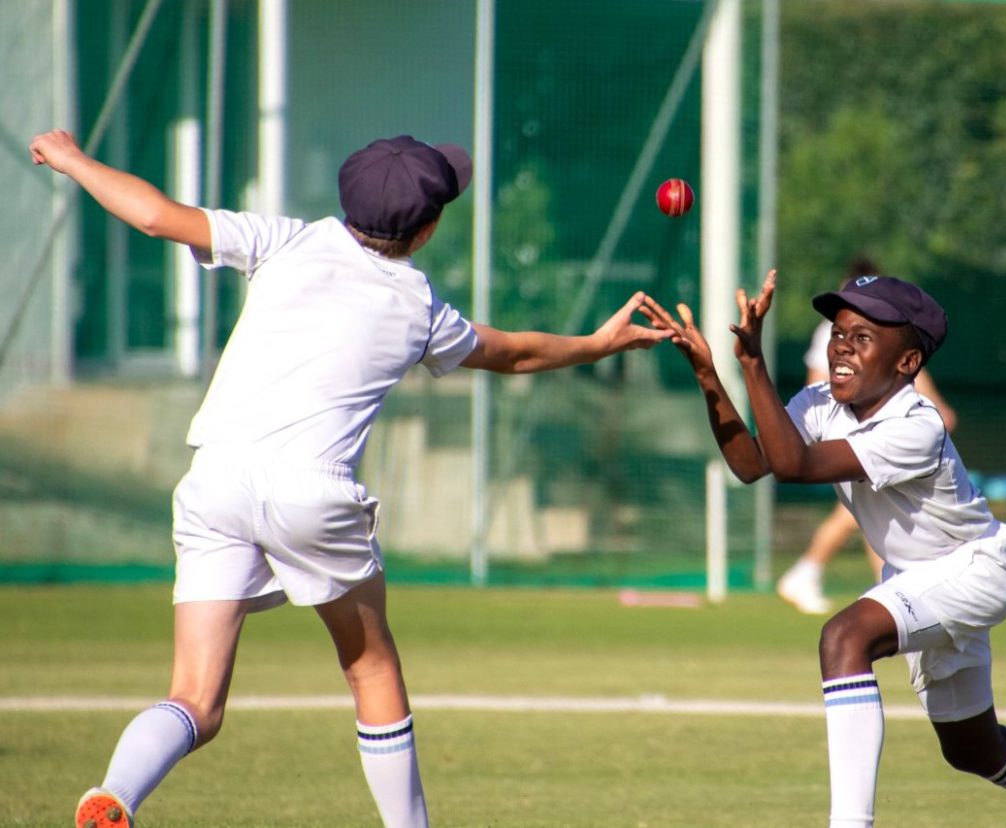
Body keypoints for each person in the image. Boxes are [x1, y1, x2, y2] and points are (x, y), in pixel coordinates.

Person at [31, 129, 671, 828]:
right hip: (313, 491)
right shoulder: (418, 307)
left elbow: (155, 216)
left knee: (194, 699)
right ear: (427, 230)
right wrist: (598, 345)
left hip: (215, 474)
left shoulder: (285, 241)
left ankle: (115, 794)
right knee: (371, 667)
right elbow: (512, 353)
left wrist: (73, 160)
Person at [642, 271, 1006, 828]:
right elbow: (753, 464)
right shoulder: (820, 404)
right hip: (915, 578)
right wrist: (707, 374)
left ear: (906, 363)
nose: (841, 345)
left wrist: (752, 364)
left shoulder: (916, 426)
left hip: (975, 570)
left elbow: (794, 467)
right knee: (970, 747)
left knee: (844, 637)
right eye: (838, 332)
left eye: (863, 338)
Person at [777, 256, 957, 615]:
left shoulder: (889, 341)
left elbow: (902, 369)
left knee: (879, 515)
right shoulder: (835, 338)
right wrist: (819, 416)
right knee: (856, 516)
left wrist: (936, 405)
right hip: (848, 429)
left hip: (880, 427)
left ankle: (883, 588)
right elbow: (819, 381)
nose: (844, 342)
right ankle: (807, 571)